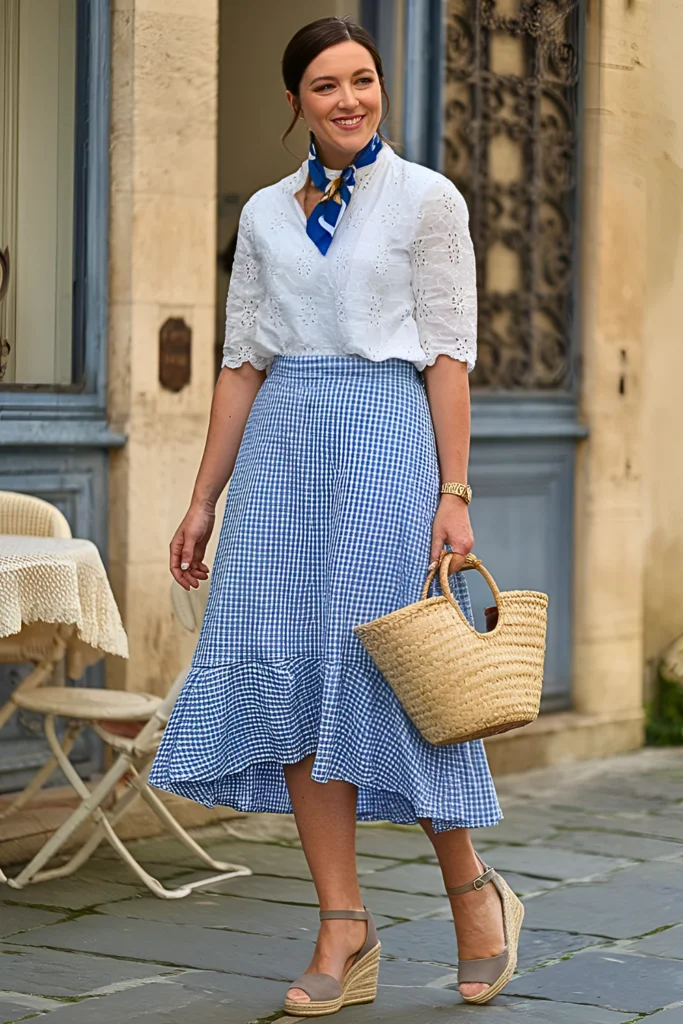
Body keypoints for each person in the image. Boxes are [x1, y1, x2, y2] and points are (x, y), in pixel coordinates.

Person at [149, 15, 522, 1016]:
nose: (349, 99)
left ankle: (472, 896)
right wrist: (200, 499)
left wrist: (453, 491)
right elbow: (240, 362)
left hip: (383, 442)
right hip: (281, 454)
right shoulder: (266, 216)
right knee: (296, 672)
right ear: (294, 104)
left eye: (362, 80)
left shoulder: (426, 200)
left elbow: (448, 353)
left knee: (399, 672)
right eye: (325, 85)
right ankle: (341, 927)